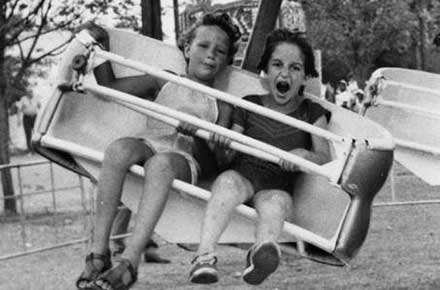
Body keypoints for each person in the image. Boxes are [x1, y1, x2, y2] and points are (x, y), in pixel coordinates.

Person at [75, 12, 241, 290]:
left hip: (185, 158)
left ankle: (129, 262)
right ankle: (98, 253)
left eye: (220, 51)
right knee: (117, 149)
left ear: (226, 62)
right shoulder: (164, 81)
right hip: (152, 141)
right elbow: (110, 87)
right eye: (203, 46)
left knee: (160, 165)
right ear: (187, 48)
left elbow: (219, 161)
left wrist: (199, 136)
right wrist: (101, 46)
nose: (211, 55)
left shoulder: (222, 105)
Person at [188, 28, 331, 285]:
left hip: (278, 184)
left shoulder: (312, 112)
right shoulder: (250, 103)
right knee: (228, 183)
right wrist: (223, 143)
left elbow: (324, 157)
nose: (285, 74)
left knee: (276, 205)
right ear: (266, 70)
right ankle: (204, 255)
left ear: (305, 77)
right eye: (277, 65)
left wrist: (304, 155)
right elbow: (228, 153)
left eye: (295, 68)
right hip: (244, 174)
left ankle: (263, 251)